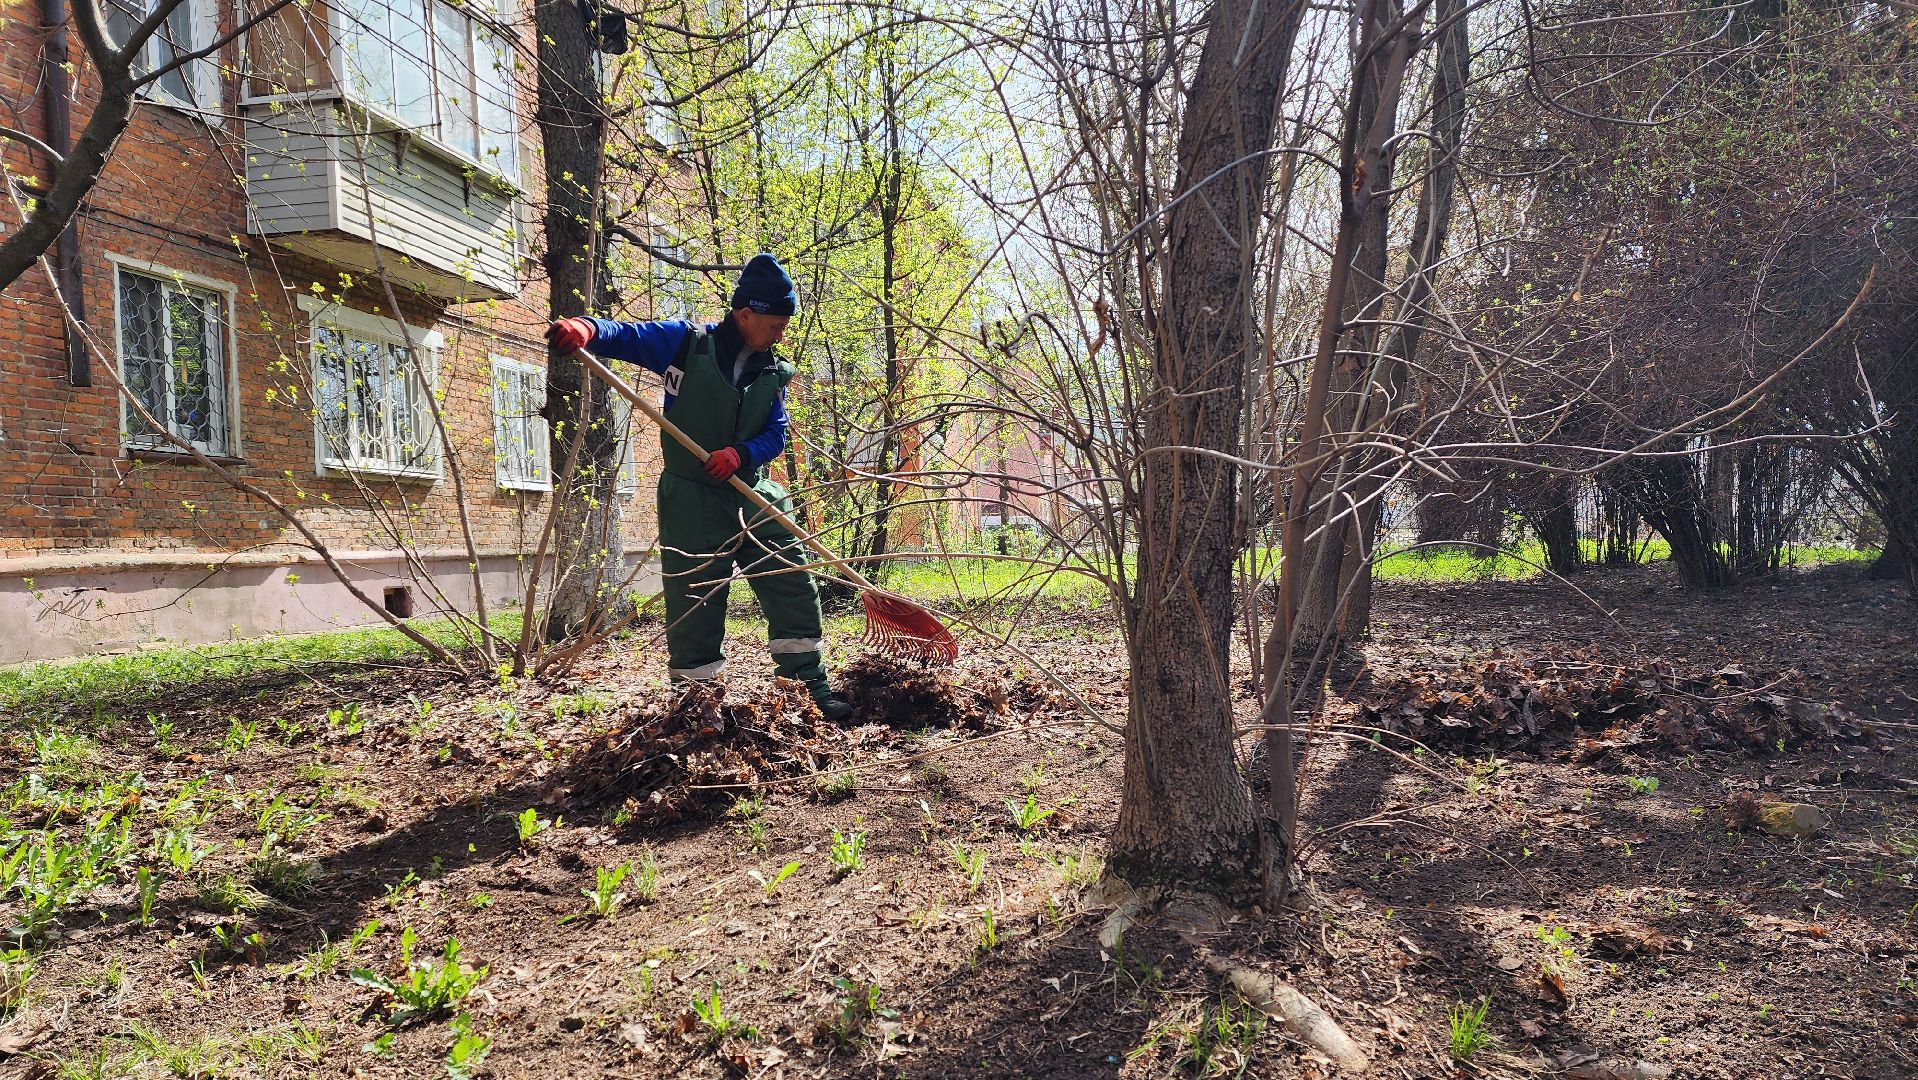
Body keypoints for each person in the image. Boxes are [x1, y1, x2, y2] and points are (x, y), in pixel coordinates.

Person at [546, 253, 854, 723]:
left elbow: (776, 432)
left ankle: (808, 691)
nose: (780, 333)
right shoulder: (686, 345)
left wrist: (742, 454)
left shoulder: (773, 371)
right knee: (695, 602)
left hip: (753, 493)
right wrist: (586, 330)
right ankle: (697, 708)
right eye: (774, 323)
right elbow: (625, 335)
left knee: (792, 581)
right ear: (744, 314)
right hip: (692, 499)